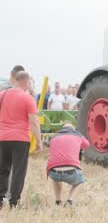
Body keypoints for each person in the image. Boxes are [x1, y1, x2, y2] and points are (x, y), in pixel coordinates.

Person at [0, 71, 43, 209]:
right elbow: (34, 122)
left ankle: (0, 200)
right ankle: (14, 202)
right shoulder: (28, 98)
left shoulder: (2, 94)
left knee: (2, 169)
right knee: (18, 171)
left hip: (2, 138)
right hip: (20, 139)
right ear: (25, 82)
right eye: (29, 82)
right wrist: (39, 141)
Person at [47, 123, 89, 206]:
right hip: (71, 171)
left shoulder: (55, 136)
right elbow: (86, 145)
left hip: (53, 171)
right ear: (73, 129)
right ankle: (70, 201)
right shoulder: (77, 135)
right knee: (80, 182)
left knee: (56, 179)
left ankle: (58, 201)